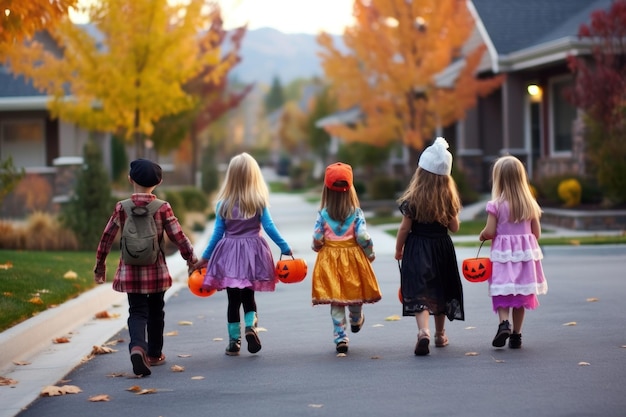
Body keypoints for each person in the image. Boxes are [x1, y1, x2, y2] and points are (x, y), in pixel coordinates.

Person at [94, 159, 198, 376]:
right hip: (156, 271)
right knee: (156, 311)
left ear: (130, 179)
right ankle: (154, 354)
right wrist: (191, 259)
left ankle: (137, 347)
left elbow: (106, 238)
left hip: (130, 272)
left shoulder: (122, 207)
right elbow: (178, 236)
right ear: (158, 182)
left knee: (137, 311)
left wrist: (100, 267)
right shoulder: (162, 207)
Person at [195, 153, 292, 356]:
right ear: (254, 176)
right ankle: (251, 327)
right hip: (253, 254)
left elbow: (216, 235)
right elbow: (269, 227)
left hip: (229, 254)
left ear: (231, 177)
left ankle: (233, 342)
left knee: (233, 301)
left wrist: (204, 257)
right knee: (249, 297)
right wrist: (284, 247)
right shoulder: (258, 202)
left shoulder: (224, 204)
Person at [395, 137, 465, 356]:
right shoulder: (447, 199)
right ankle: (439, 334)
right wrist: (452, 214)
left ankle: (423, 331)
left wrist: (399, 249)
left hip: (417, 248)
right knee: (439, 291)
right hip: (441, 249)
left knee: (420, 292)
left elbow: (404, 229)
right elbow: (454, 227)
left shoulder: (414, 198)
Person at [311, 162, 382, 354]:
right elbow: (363, 236)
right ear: (350, 189)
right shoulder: (356, 213)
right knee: (354, 291)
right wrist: (370, 253)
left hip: (330, 261)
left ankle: (340, 337)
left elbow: (317, 237)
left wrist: (317, 247)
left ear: (326, 190)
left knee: (337, 299)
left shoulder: (323, 215)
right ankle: (356, 319)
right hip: (352, 258)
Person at [479, 155, 548, 349]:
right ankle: (516, 335)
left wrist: (483, 235)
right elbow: (537, 233)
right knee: (521, 296)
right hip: (524, 257)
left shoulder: (496, 205)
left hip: (503, 256)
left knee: (502, 290)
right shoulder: (530, 205)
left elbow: (491, 231)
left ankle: (503, 324)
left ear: (498, 179)